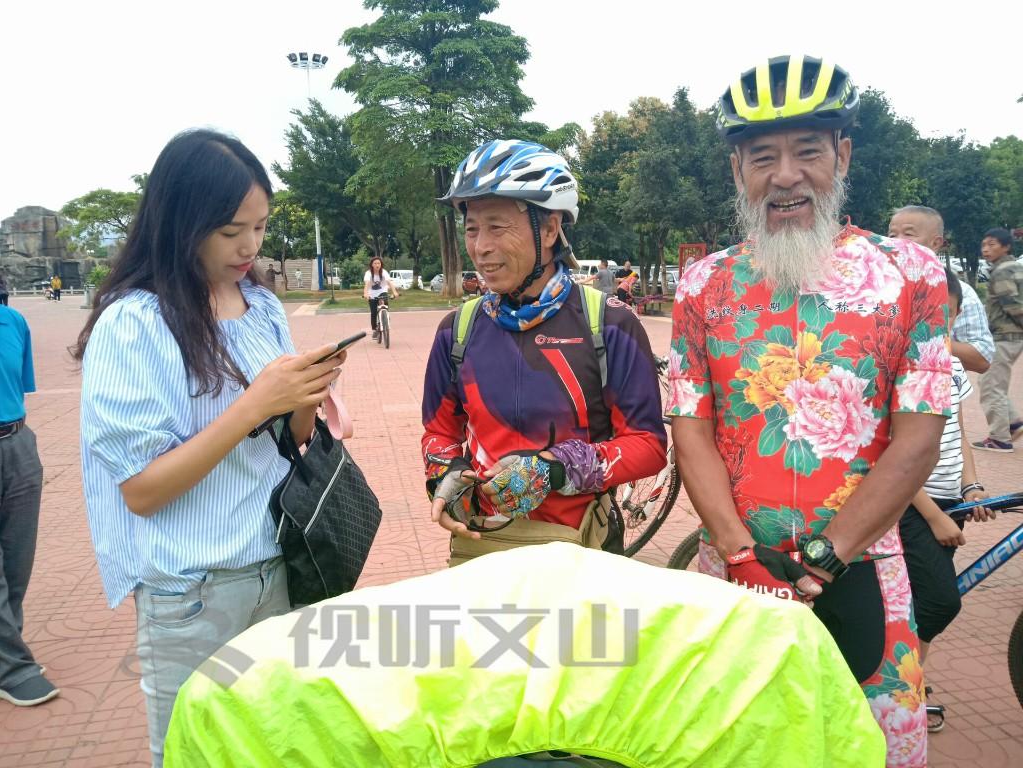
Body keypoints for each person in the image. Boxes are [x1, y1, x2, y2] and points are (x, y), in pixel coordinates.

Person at [669, 55, 950, 767]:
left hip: (862, 572)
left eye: (808, 152)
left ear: (843, 156)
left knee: (871, 751)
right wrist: (739, 553)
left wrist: (826, 560)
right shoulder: (702, 285)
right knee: (730, 751)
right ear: (739, 170)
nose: (785, 174)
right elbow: (690, 430)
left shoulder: (910, 274)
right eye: (763, 156)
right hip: (735, 575)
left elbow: (917, 437)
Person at [74, 129, 344, 767]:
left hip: (278, 568)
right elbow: (142, 490)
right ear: (181, 222)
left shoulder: (262, 307)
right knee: (198, 753)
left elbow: (293, 445)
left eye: (260, 226)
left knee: (275, 746)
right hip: (192, 595)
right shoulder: (136, 323)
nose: (250, 246)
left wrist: (305, 392)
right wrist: (254, 404)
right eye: (230, 231)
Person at [423, 139, 666, 564]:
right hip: (486, 550)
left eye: (497, 227)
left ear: (550, 229)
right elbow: (439, 433)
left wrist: (557, 468)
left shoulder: (609, 324)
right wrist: (445, 476)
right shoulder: (457, 331)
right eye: (472, 228)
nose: (480, 247)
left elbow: (648, 445)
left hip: (581, 550)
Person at [897, 268, 992, 726]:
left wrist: (970, 486)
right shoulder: (905, 364)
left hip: (948, 498)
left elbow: (960, 435)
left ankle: (912, 681)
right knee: (939, 602)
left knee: (921, 604)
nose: (939, 327)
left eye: (947, 317)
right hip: (914, 504)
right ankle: (893, 684)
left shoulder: (952, 366)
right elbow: (891, 457)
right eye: (930, 316)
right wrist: (934, 516)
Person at [0, 303, 57, 706]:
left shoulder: (12, 321)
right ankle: (11, 667)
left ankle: (7, 643)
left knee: (17, 558)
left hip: (17, 444)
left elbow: (18, 387)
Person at [888, 205, 993, 374]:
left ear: (935, 243)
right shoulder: (874, 289)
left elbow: (981, 358)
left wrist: (925, 339)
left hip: (932, 392)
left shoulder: (957, 292)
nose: (897, 241)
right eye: (892, 235)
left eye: (908, 234)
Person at [974, 227, 1023, 452]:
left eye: (992, 244)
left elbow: (1012, 305)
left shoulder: (1003, 271)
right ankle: (1013, 423)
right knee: (990, 382)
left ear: (1006, 247)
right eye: (984, 245)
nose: (986, 249)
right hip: (1011, 337)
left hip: (1004, 336)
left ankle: (999, 438)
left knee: (991, 386)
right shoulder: (1014, 267)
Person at [363, 257, 399, 340]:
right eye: (375, 263)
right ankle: (375, 329)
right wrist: (365, 294)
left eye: (378, 263)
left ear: (381, 264)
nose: (377, 265)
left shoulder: (384, 272)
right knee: (373, 312)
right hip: (372, 294)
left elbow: (389, 282)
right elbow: (367, 284)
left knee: (385, 306)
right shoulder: (368, 273)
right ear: (372, 265)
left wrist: (394, 292)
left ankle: (386, 321)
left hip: (382, 292)